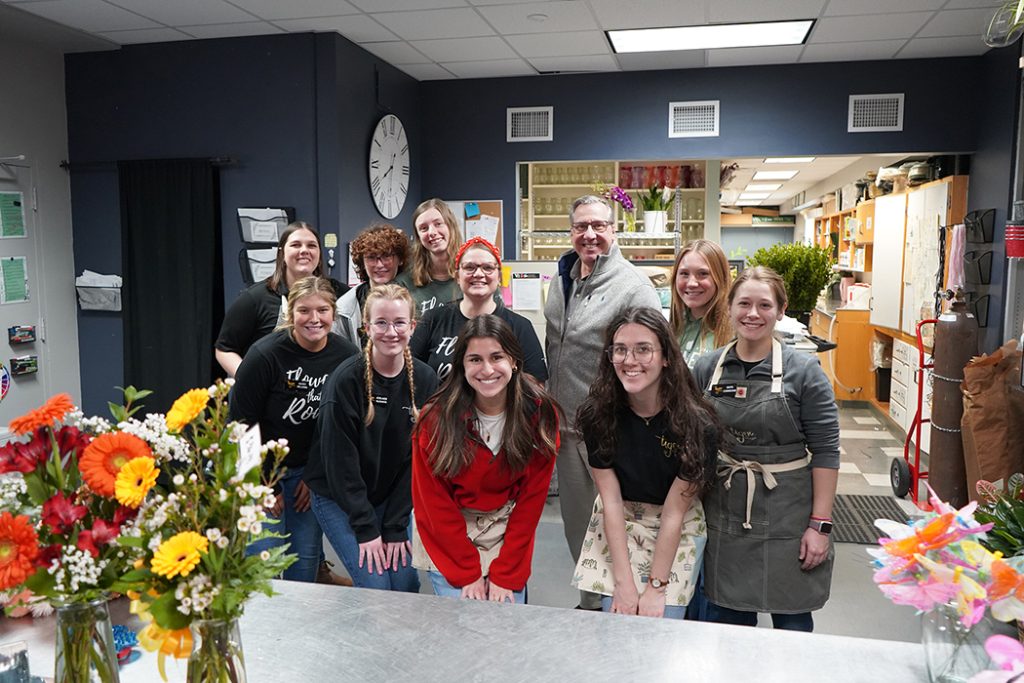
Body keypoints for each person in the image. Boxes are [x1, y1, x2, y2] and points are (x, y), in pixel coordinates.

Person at [691, 266, 840, 632]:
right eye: (743, 303)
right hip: (724, 513)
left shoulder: (804, 372)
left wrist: (819, 526)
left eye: (764, 305)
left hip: (787, 514)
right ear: (728, 308)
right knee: (726, 621)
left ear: (781, 310)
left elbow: (826, 451)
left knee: (791, 622)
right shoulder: (708, 369)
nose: (752, 314)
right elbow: (693, 443)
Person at [543, 194, 662, 610]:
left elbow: (650, 359)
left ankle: (624, 605)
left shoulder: (633, 286)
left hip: (610, 431)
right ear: (571, 232)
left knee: (620, 527)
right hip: (566, 428)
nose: (589, 234)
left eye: (599, 226)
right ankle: (592, 605)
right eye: (580, 227)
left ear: (614, 230)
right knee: (579, 528)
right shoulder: (563, 279)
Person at [573, 307, 719, 619]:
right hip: (619, 519)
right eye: (620, 350)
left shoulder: (698, 426)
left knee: (663, 622)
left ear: (666, 357)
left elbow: (674, 512)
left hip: (674, 525)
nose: (630, 360)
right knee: (616, 619)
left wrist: (655, 586)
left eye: (643, 349)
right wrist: (624, 584)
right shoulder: (596, 416)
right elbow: (610, 501)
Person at [411, 314, 559, 603]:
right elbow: (433, 504)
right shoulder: (434, 420)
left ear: (514, 361)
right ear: (462, 366)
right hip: (449, 529)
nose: (487, 369)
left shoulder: (539, 415)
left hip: (506, 524)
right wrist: (468, 572)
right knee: (467, 626)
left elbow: (530, 504)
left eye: (497, 357)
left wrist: (505, 573)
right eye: (475, 359)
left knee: (505, 624)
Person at [304, 284, 438, 592]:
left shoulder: (426, 379)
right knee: (377, 585)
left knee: (404, 584)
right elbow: (341, 465)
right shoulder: (345, 381)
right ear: (366, 327)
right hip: (338, 496)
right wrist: (366, 530)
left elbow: (418, 461)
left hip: (389, 495)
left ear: (412, 326)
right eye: (381, 323)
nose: (391, 332)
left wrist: (394, 526)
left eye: (399, 323)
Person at [228, 276, 360, 582]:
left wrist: (315, 475)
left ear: (334, 314)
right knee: (265, 564)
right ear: (290, 314)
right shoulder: (264, 356)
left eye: (323, 310)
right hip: (261, 470)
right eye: (304, 311)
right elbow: (242, 423)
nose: (314, 319)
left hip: (309, 474)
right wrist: (265, 484)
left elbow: (341, 428)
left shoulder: (347, 358)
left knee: (303, 565)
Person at [215, 221, 348, 377]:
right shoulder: (255, 298)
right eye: (296, 245)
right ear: (281, 253)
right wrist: (250, 380)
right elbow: (224, 348)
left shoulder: (340, 293)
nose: (304, 250)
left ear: (319, 255)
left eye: (311, 245)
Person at [411, 237, 546, 382]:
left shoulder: (520, 326)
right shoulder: (433, 319)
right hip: (442, 405)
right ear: (457, 276)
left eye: (488, 268)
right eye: (469, 267)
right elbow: (409, 371)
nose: (479, 274)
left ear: (499, 276)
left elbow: (535, 385)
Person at [336, 224, 410, 348]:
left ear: (400, 259)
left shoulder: (417, 298)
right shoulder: (345, 307)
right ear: (362, 263)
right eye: (371, 257)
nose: (379, 264)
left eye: (386, 256)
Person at [669, 239, 733, 368]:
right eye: (684, 274)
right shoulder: (672, 329)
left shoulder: (736, 332)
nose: (692, 283)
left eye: (703, 274)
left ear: (720, 278)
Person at [396, 199, 463, 316]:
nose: (432, 232)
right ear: (419, 238)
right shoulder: (403, 284)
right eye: (423, 228)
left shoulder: (474, 276)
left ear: (451, 226)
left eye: (438, 224)